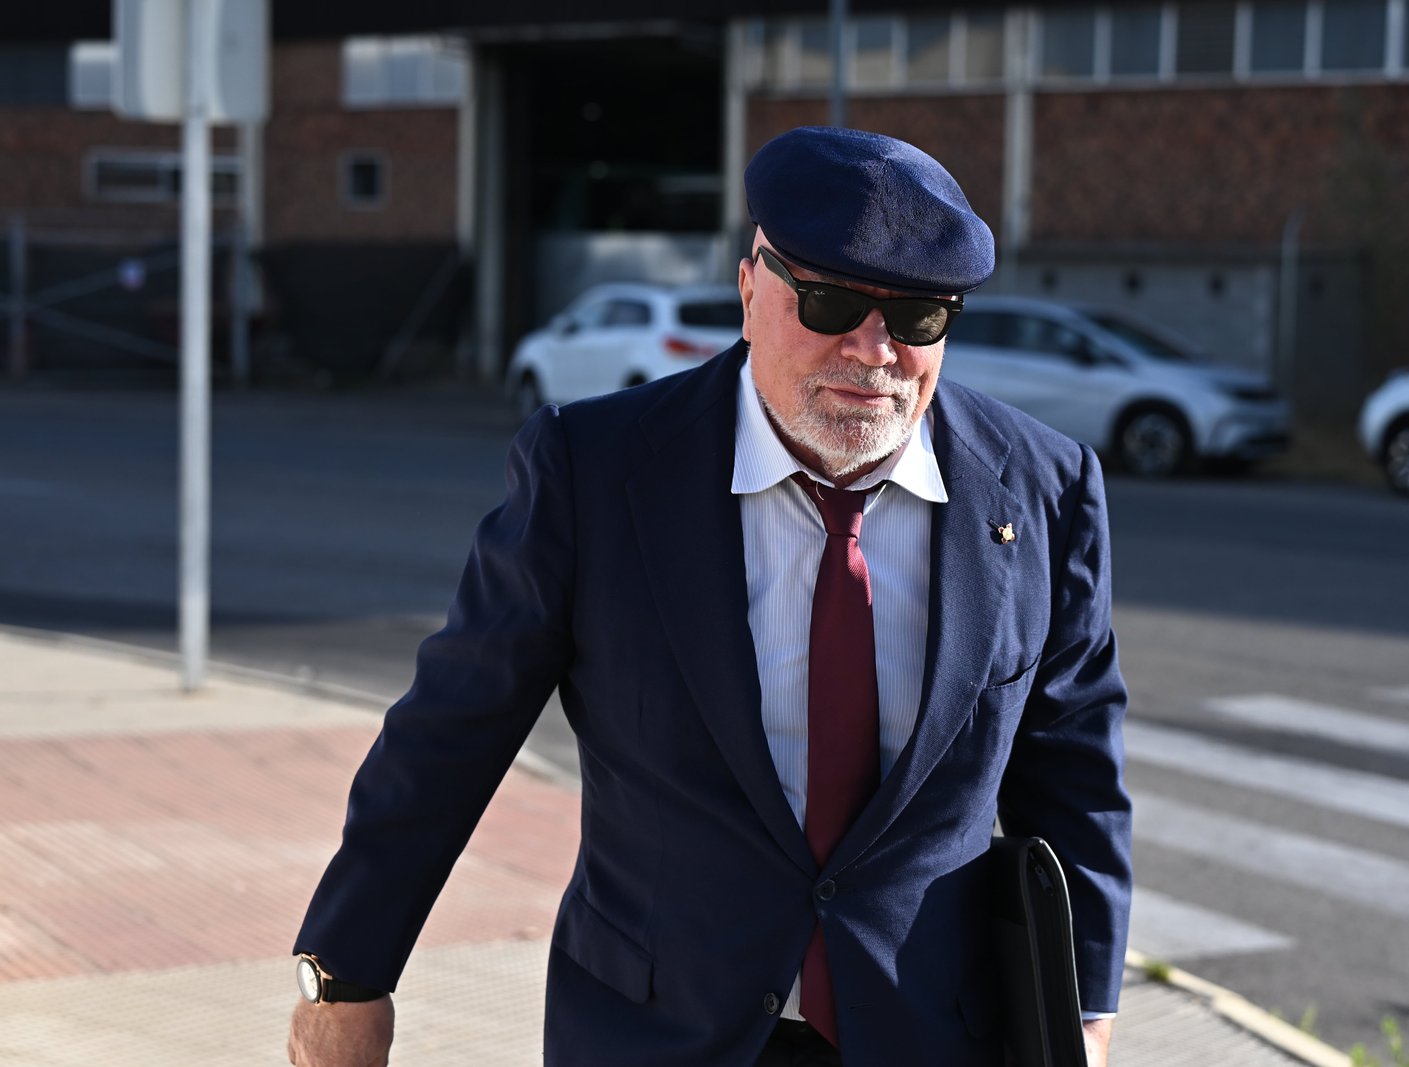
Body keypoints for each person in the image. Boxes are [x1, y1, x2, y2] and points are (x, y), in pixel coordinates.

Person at [288, 125, 1132, 1067]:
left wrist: (1087, 1015)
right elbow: (452, 730)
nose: (875, 350)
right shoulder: (595, 470)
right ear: (749, 289)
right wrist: (347, 976)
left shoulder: (1044, 491)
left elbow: (1076, 770)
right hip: (659, 1031)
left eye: (918, 317)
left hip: (932, 1035)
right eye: (830, 302)